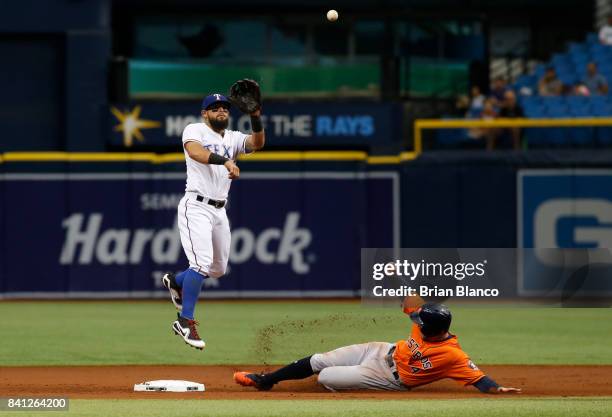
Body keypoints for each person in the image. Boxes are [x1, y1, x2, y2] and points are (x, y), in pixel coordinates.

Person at [234, 295, 522, 394]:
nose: (416, 322)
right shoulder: (426, 321)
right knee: (320, 359)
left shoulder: (453, 356)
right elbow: (409, 303)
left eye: (421, 323)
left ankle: (339, 383)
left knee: (324, 377)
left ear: (435, 331)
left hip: (385, 378)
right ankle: (266, 380)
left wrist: (498, 389)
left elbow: (480, 379)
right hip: (380, 349)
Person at [162, 93, 265, 350]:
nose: (220, 111)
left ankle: (176, 280)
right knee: (201, 263)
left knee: (217, 269)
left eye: (224, 108)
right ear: (204, 113)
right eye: (214, 108)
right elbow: (196, 152)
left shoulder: (232, 137)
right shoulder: (194, 129)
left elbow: (257, 143)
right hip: (195, 205)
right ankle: (185, 321)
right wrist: (226, 160)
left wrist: (255, 117)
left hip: (219, 210)